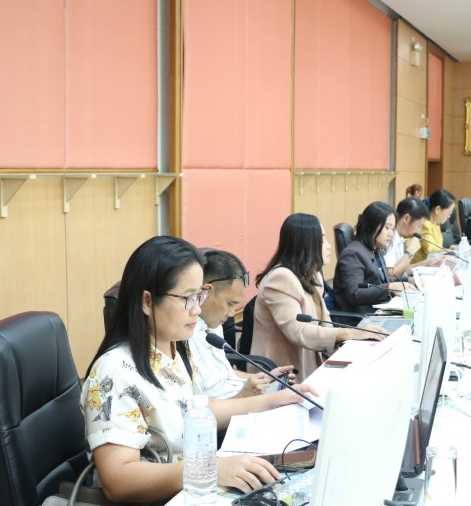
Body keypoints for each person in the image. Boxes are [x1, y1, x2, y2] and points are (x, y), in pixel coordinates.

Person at [81, 236, 317, 504]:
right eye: (188, 298)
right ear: (147, 301)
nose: (197, 309)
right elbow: (119, 480)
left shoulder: (173, 348)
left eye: (199, 296)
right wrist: (209, 470)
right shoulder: (114, 372)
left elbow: (197, 410)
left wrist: (275, 400)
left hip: (193, 489)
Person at [251, 213, 388, 380]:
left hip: (313, 362)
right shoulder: (280, 278)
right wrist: (348, 333)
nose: (329, 246)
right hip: (283, 374)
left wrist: (355, 338)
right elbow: (298, 331)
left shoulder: (311, 275)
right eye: (323, 239)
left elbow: (325, 324)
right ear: (307, 244)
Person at [188, 248, 296, 399]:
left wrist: (265, 378)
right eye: (230, 304)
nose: (232, 313)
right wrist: (242, 397)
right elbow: (197, 405)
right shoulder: (183, 333)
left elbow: (224, 374)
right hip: (230, 408)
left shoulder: (213, 324)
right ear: (207, 292)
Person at [333, 201, 403, 314]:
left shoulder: (375, 249)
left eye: (392, 229)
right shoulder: (353, 254)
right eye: (387, 228)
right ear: (371, 226)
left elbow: (379, 282)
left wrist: (407, 281)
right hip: (362, 318)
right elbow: (354, 294)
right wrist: (390, 287)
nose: (391, 234)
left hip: (377, 311)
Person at [384, 197, 435, 280]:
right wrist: (410, 252)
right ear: (406, 218)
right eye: (420, 226)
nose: (419, 232)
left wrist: (428, 262)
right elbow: (391, 276)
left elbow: (401, 270)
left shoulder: (400, 237)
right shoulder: (388, 237)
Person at [413, 189, 457, 264]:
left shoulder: (436, 224)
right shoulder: (425, 224)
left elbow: (436, 248)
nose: (449, 216)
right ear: (438, 209)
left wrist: (447, 250)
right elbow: (430, 249)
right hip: (418, 267)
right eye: (449, 212)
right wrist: (446, 250)